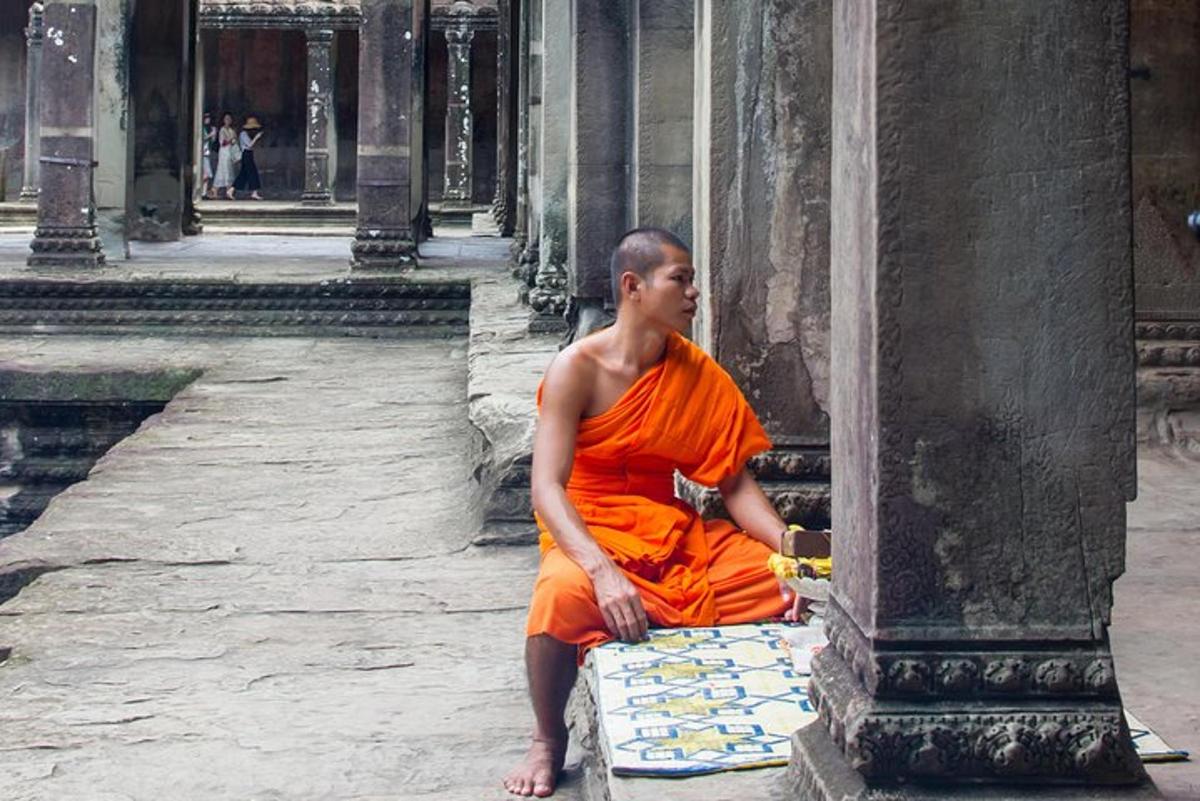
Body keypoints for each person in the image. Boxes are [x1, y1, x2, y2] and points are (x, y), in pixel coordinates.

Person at [502, 228, 807, 798]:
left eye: (692, 281)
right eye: (681, 279)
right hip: (586, 529)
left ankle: (652, 610)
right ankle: (546, 738)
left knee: (779, 581)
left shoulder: (693, 369)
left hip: (666, 528)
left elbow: (734, 483)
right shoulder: (577, 368)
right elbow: (546, 488)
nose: (695, 294)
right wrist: (600, 570)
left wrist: (789, 550)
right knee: (559, 597)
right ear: (633, 287)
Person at [233, 116, 265, 200]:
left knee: (243, 174)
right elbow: (249, 145)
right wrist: (256, 137)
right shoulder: (243, 134)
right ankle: (254, 192)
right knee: (252, 173)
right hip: (246, 154)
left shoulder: (246, 134)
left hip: (249, 154)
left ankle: (231, 190)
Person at [213, 112, 238, 200]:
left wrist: (233, 140)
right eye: (226, 119)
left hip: (230, 151)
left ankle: (228, 191)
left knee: (229, 170)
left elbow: (234, 141)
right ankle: (216, 190)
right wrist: (230, 139)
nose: (228, 121)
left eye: (229, 119)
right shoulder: (222, 130)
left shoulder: (232, 130)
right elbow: (222, 143)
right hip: (224, 151)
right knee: (223, 169)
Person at [200, 112, 217, 199]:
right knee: (206, 174)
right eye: (206, 118)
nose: (208, 120)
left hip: (207, 153)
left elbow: (213, 141)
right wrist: (210, 135)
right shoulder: (201, 128)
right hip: (202, 153)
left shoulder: (209, 129)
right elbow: (201, 138)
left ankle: (204, 192)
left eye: (209, 118)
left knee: (207, 175)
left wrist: (213, 134)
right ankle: (199, 189)